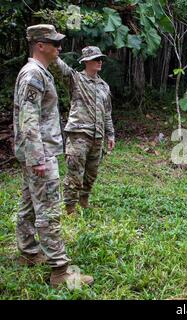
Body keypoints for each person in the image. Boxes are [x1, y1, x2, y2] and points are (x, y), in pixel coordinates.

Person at [13, 24, 93, 287]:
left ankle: (27, 251)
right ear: (40, 45)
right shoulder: (33, 75)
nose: (59, 47)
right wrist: (37, 158)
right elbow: (29, 120)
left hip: (37, 153)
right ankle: (60, 271)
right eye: (54, 43)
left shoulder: (40, 72)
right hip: (41, 154)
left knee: (28, 204)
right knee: (48, 210)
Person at [54, 46, 115, 214]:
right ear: (86, 62)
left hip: (97, 136)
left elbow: (107, 112)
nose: (100, 62)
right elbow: (60, 67)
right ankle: (70, 208)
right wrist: (53, 50)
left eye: (100, 59)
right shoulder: (76, 79)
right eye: (96, 59)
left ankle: (84, 200)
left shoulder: (104, 86)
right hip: (79, 135)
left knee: (91, 173)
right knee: (75, 173)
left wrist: (110, 134)